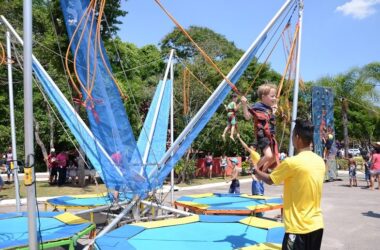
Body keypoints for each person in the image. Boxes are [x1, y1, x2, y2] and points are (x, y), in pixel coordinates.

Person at [252, 118, 325, 249]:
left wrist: (256, 171)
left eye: (292, 136)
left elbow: (270, 179)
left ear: (297, 137)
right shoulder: (320, 161)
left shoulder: (291, 162)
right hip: (317, 225)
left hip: (298, 227)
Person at [241, 83, 278, 172]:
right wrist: (244, 105)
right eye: (272, 96)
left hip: (271, 135)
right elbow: (247, 117)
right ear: (263, 97)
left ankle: (260, 172)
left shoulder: (270, 108)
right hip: (262, 135)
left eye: (275, 96)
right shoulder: (258, 106)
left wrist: (274, 111)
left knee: (274, 157)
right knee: (268, 155)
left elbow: (270, 119)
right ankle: (254, 169)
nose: (274, 98)